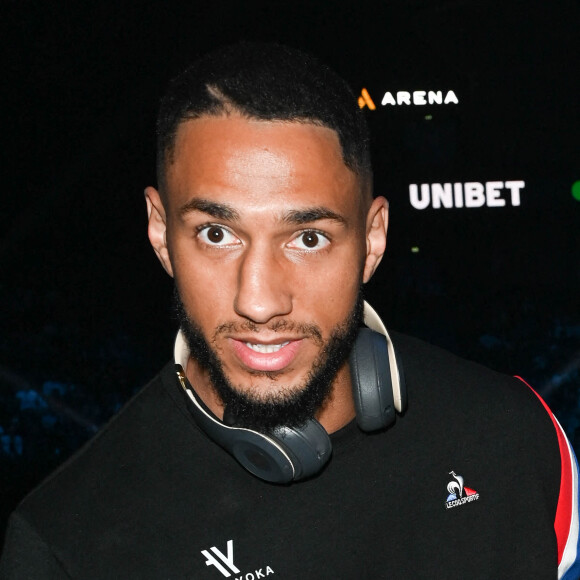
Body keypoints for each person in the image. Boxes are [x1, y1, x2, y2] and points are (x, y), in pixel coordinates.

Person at [1, 42, 578, 579]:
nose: (259, 301)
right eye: (217, 233)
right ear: (159, 232)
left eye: (308, 239)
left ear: (373, 240)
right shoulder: (62, 543)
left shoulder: (520, 439)